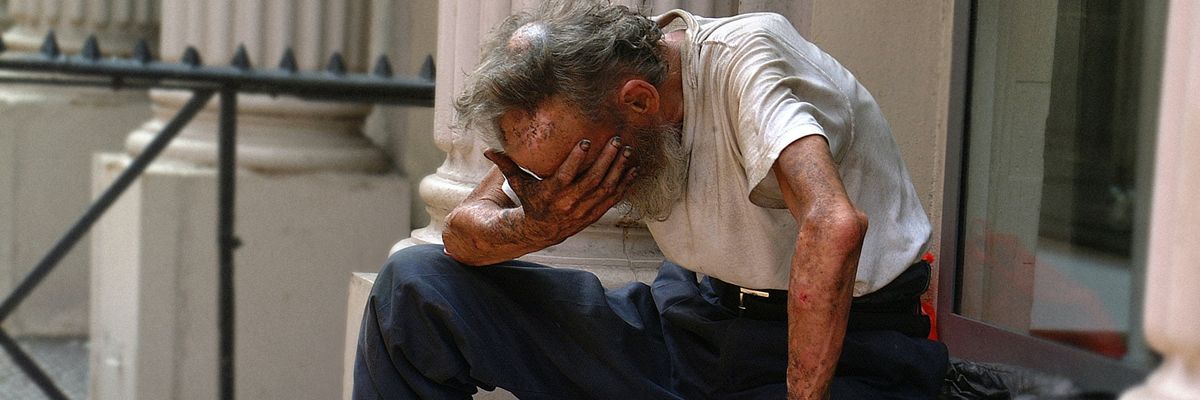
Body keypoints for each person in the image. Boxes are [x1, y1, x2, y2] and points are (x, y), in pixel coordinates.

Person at [354, 1, 947, 399]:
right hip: (691, 326)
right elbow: (464, 230)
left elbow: (833, 224)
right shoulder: (572, 97)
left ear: (639, 103)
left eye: (572, 164)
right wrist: (538, 225)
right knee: (416, 284)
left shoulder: (750, 60)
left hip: (842, 348)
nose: (562, 179)